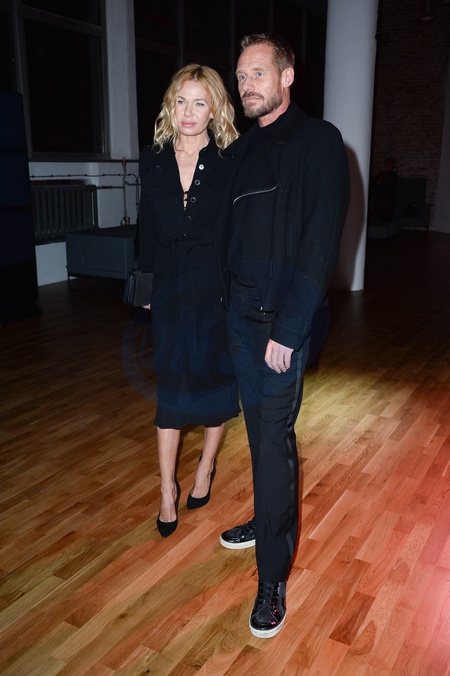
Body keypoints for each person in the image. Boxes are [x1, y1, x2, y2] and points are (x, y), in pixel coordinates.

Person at [218, 34, 350, 638]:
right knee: (257, 432)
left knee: (272, 440)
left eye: (258, 73)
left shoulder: (318, 141)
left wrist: (290, 329)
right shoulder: (242, 150)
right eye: (241, 76)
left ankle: (272, 578)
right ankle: (265, 517)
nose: (247, 85)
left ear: (287, 75)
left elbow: (320, 240)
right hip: (239, 319)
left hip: (280, 326)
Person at [137, 64, 240, 539]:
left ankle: (206, 467)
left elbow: (236, 232)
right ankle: (166, 490)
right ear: (170, 105)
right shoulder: (153, 158)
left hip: (214, 289)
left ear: (215, 109)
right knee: (172, 391)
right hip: (169, 289)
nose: (189, 112)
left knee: (214, 383)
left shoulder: (229, 160)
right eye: (181, 101)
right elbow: (146, 226)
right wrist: (144, 287)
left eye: (200, 102)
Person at [374, 156, 398, 221]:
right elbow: (375, 182)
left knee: (388, 214)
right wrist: (378, 182)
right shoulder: (381, 173)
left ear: (392, 165)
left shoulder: (393, 174)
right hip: (381, 196)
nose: (388, 165)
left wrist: (381, 182)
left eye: (390, 164)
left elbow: (391, 185)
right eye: (387, 164)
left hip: (389, 197)